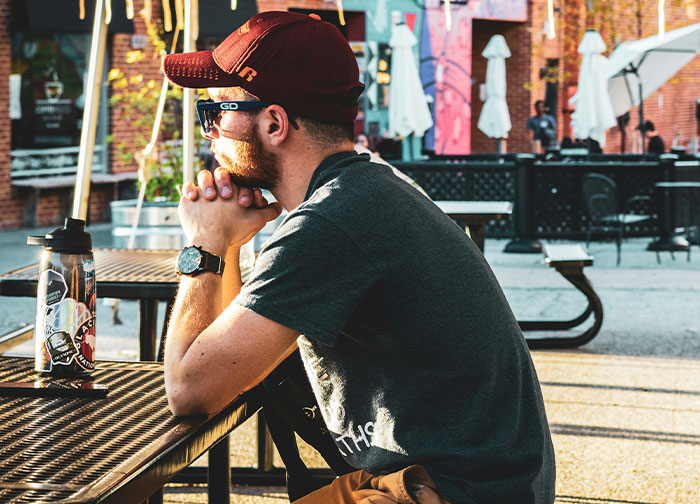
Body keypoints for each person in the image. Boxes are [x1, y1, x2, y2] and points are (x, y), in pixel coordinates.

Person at [162, 11, 555, 504]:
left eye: (217, 113)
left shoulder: (330, 223)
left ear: (274, 122)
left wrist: (204, 245)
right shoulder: (363, 191)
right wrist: (231, 244)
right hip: (481, 484)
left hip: (449, 492)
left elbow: (190, 389)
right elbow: (229, 362)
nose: (209, 131)